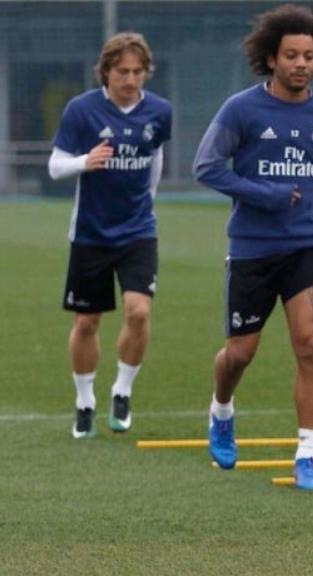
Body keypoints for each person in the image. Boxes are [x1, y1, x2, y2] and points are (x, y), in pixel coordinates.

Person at [193, 3, 313, 490]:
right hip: (252, 247)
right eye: (291, 55)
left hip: (308, 245)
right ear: (270, 58)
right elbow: (207, 166)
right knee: (239, 355)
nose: (301, 63)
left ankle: (307, 452)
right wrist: (266, 195)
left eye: (308, 55)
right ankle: (222, 410)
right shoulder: (241, 109)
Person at [49, 32, 173, 439]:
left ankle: (122, 390)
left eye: (139, 72)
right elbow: (55, 166)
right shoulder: (82, 111)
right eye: (123, 71)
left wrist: (147, 205)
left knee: (138, 311)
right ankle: (85, 400)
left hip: (138, 230)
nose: (131, 80)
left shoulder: (159, 111)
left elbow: (155, 159)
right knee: (87, 322)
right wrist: (87, 160)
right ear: (106, 71)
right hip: (90, 233)